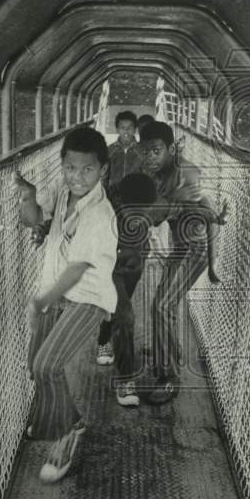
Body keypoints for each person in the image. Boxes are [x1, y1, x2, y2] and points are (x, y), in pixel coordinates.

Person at [14, 127, 118, 483]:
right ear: (63, 166)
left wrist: (40, 301)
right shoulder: (62, 192)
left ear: (102, 170)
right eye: (70, 168)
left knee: (47, 365)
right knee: (34, 367)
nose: (77, 176)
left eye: (87, 169)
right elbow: (33, 219)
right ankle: (69, 419)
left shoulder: (99, 214)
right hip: (56, 294)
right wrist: (28, 197)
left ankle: (64, 438)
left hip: (87, 299)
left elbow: (76, 271)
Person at [139, 120, 228, 404]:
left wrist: (213, 265)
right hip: (179, 248)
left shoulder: (187, 172)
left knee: (162, 305)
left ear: (170, 149)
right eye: (146, 151)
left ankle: (170, 378)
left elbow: (214, 217)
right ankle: (169, 355)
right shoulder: (153, 173)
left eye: (156, 150)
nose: (150, 157)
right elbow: (151, 216)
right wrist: (170, 199)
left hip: (194, 249)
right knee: (164, 305)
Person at [97, 172, 158, 407]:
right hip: (110, 266)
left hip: (134, 264)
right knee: (126, 316)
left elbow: (177, 209)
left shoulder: (149, 205)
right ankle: (125, 381)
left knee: (118, 313)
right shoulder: (104, 206)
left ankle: (103, 338)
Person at [96, 110, 145, 365]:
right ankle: (105, 340)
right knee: (113, 289)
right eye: (122, 128)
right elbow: (101, 183)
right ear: (117, 129)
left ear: (135, 129)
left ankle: (109, 332)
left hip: (135, 228)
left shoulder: (143, 154)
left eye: (130, 128)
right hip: (112, 222)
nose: (126, 132)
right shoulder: (109, 152)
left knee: (128, 286)